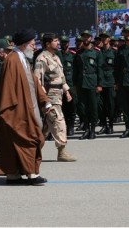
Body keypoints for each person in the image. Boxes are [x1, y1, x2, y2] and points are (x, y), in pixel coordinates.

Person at [0, 28, 50, 185]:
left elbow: (34, 82)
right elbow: (7, 88)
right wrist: (9, 112)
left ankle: (13, 175)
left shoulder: (23, 60)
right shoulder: (12, 61)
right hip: (17, 110)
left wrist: (44, 101)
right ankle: (32, 175)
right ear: (24, 44)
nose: (35, 46)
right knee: (30, 138)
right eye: (33, 43)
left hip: (29, 107)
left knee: (21, 142)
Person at [34, 33, 77, 162]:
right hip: (49, 96)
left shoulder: (56, 57)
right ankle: (62, 151)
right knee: (58, 121)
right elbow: (38, 81)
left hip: (58, 94)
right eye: (55, 41)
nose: (58, 43)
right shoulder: (42, 59)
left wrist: (67, 91)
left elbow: (61, 77)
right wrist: (44, 100)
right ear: (48, 44)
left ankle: (32, 152)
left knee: (46, 127)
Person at [73, 30, 104, 140]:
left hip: (92, 83)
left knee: (93, 107)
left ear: (91, 38)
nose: (85, 39)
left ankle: (92, 130)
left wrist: (99, 84)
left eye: (87, 37)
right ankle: (86, 129)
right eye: (84, 37)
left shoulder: (96, 52)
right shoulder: (78, 53)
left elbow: (100, 69)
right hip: (81, 83)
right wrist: (75, 85)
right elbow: (75, 71)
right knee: (83, 108)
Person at [0, 39, 15, 163]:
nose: (10, 54)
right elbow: (0, 74)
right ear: (1, 53)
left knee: (3, 136)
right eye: (8, 51)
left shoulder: (2, 62)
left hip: (0, 106)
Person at [97, 31, 117, 135]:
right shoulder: (98, 52)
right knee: (101, 105)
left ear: (109, 39)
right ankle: (104, 125)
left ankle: (111, 125)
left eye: (105, 38)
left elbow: (117, 68)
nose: (104, 40)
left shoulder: (114, 52)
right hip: (101, 82)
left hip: (110, 81)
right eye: (102, 38)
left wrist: (116, 82)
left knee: (111, 105)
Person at [59, 35, 77, 136]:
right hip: (61, 84)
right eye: (62, 42)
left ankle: (71, 126)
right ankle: (65, 126)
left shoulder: (73, 55)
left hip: (71, 84)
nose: (64, 44)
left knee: (72, 107)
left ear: (68, 44)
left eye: (65, 43)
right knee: (63, 107)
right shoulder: (57, 55)